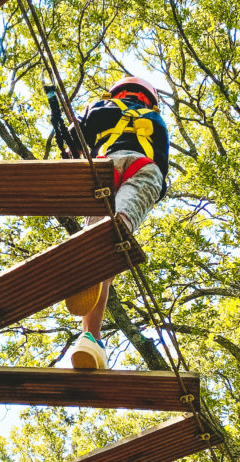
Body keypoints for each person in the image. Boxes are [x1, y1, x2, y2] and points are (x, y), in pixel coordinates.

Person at [65, 76, 169, 369]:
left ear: (118, 93)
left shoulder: (103, 107)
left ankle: (90, 335)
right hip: (145, 170)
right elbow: (162, 165)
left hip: (105, 167)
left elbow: (78, 135)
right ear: (148, 98)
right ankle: (91, 341)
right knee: (113, 244)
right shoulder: (156, 122)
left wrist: (73, 140)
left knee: (96, 247)